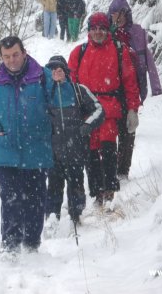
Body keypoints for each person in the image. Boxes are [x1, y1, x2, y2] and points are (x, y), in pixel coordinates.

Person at [0, 36, 54, 258]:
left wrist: (62, 82)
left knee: (36, 200)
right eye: (6, 56)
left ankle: (31, 245)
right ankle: (10, 247)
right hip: (6, 152)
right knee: (10, 200)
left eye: (15, 55)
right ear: (1, 57)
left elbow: (60, 99)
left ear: (24, 52)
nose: (11, 60)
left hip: (36, 151)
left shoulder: (42, 76)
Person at [68, 13, 140, 205]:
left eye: (101, 28)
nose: (98, 32)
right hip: (87, 111)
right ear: (89, 30)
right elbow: (70, 85)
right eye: (94, 28)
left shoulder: (118, 50)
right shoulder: (79, 52)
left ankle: (109, 192)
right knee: (91, 154)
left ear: (108, 30)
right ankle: (97, 193)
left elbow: (129, 81)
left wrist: (133, 109)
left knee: (108, 151)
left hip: (109, 109)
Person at [44, 55, 104, 226]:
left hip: (76, 149)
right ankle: (51, 220)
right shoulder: (45, 93)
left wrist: (87, 126)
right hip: (53, 151)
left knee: (76, 185)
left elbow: (99, 110)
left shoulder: (78, 90)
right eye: (52, 69)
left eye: (60, 68)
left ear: (66, 71)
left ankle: (76, 218)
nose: (56, 71)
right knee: (53, 188)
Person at [108, 0, 162, 178]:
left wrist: (156, 85)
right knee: (112, 129)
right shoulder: (107, 34)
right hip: (112, 88)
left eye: (120, 13)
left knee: (129, 129)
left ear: (126, 13)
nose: (117, 17)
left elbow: (148, 59)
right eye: (114, 14)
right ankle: (112, 167)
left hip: (133, 87)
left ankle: (123, 170)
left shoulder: (138, 32)